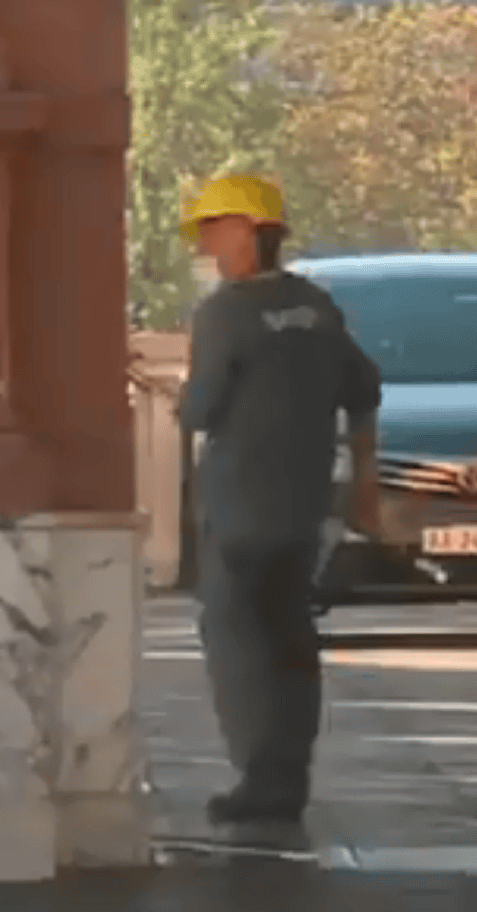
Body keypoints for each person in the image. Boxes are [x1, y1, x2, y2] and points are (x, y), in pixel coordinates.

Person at [176, 174, 383, 826]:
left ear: (245, 228)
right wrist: (367, 484)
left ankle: (257, 781)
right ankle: (287, 776)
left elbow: (199, 409)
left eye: (214, 228)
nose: (208, 243)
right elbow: (364, 390)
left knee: (236, 637)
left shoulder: (224, 312)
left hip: (239, 505)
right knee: (291, 635)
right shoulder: (318, 308)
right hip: (303, 504)